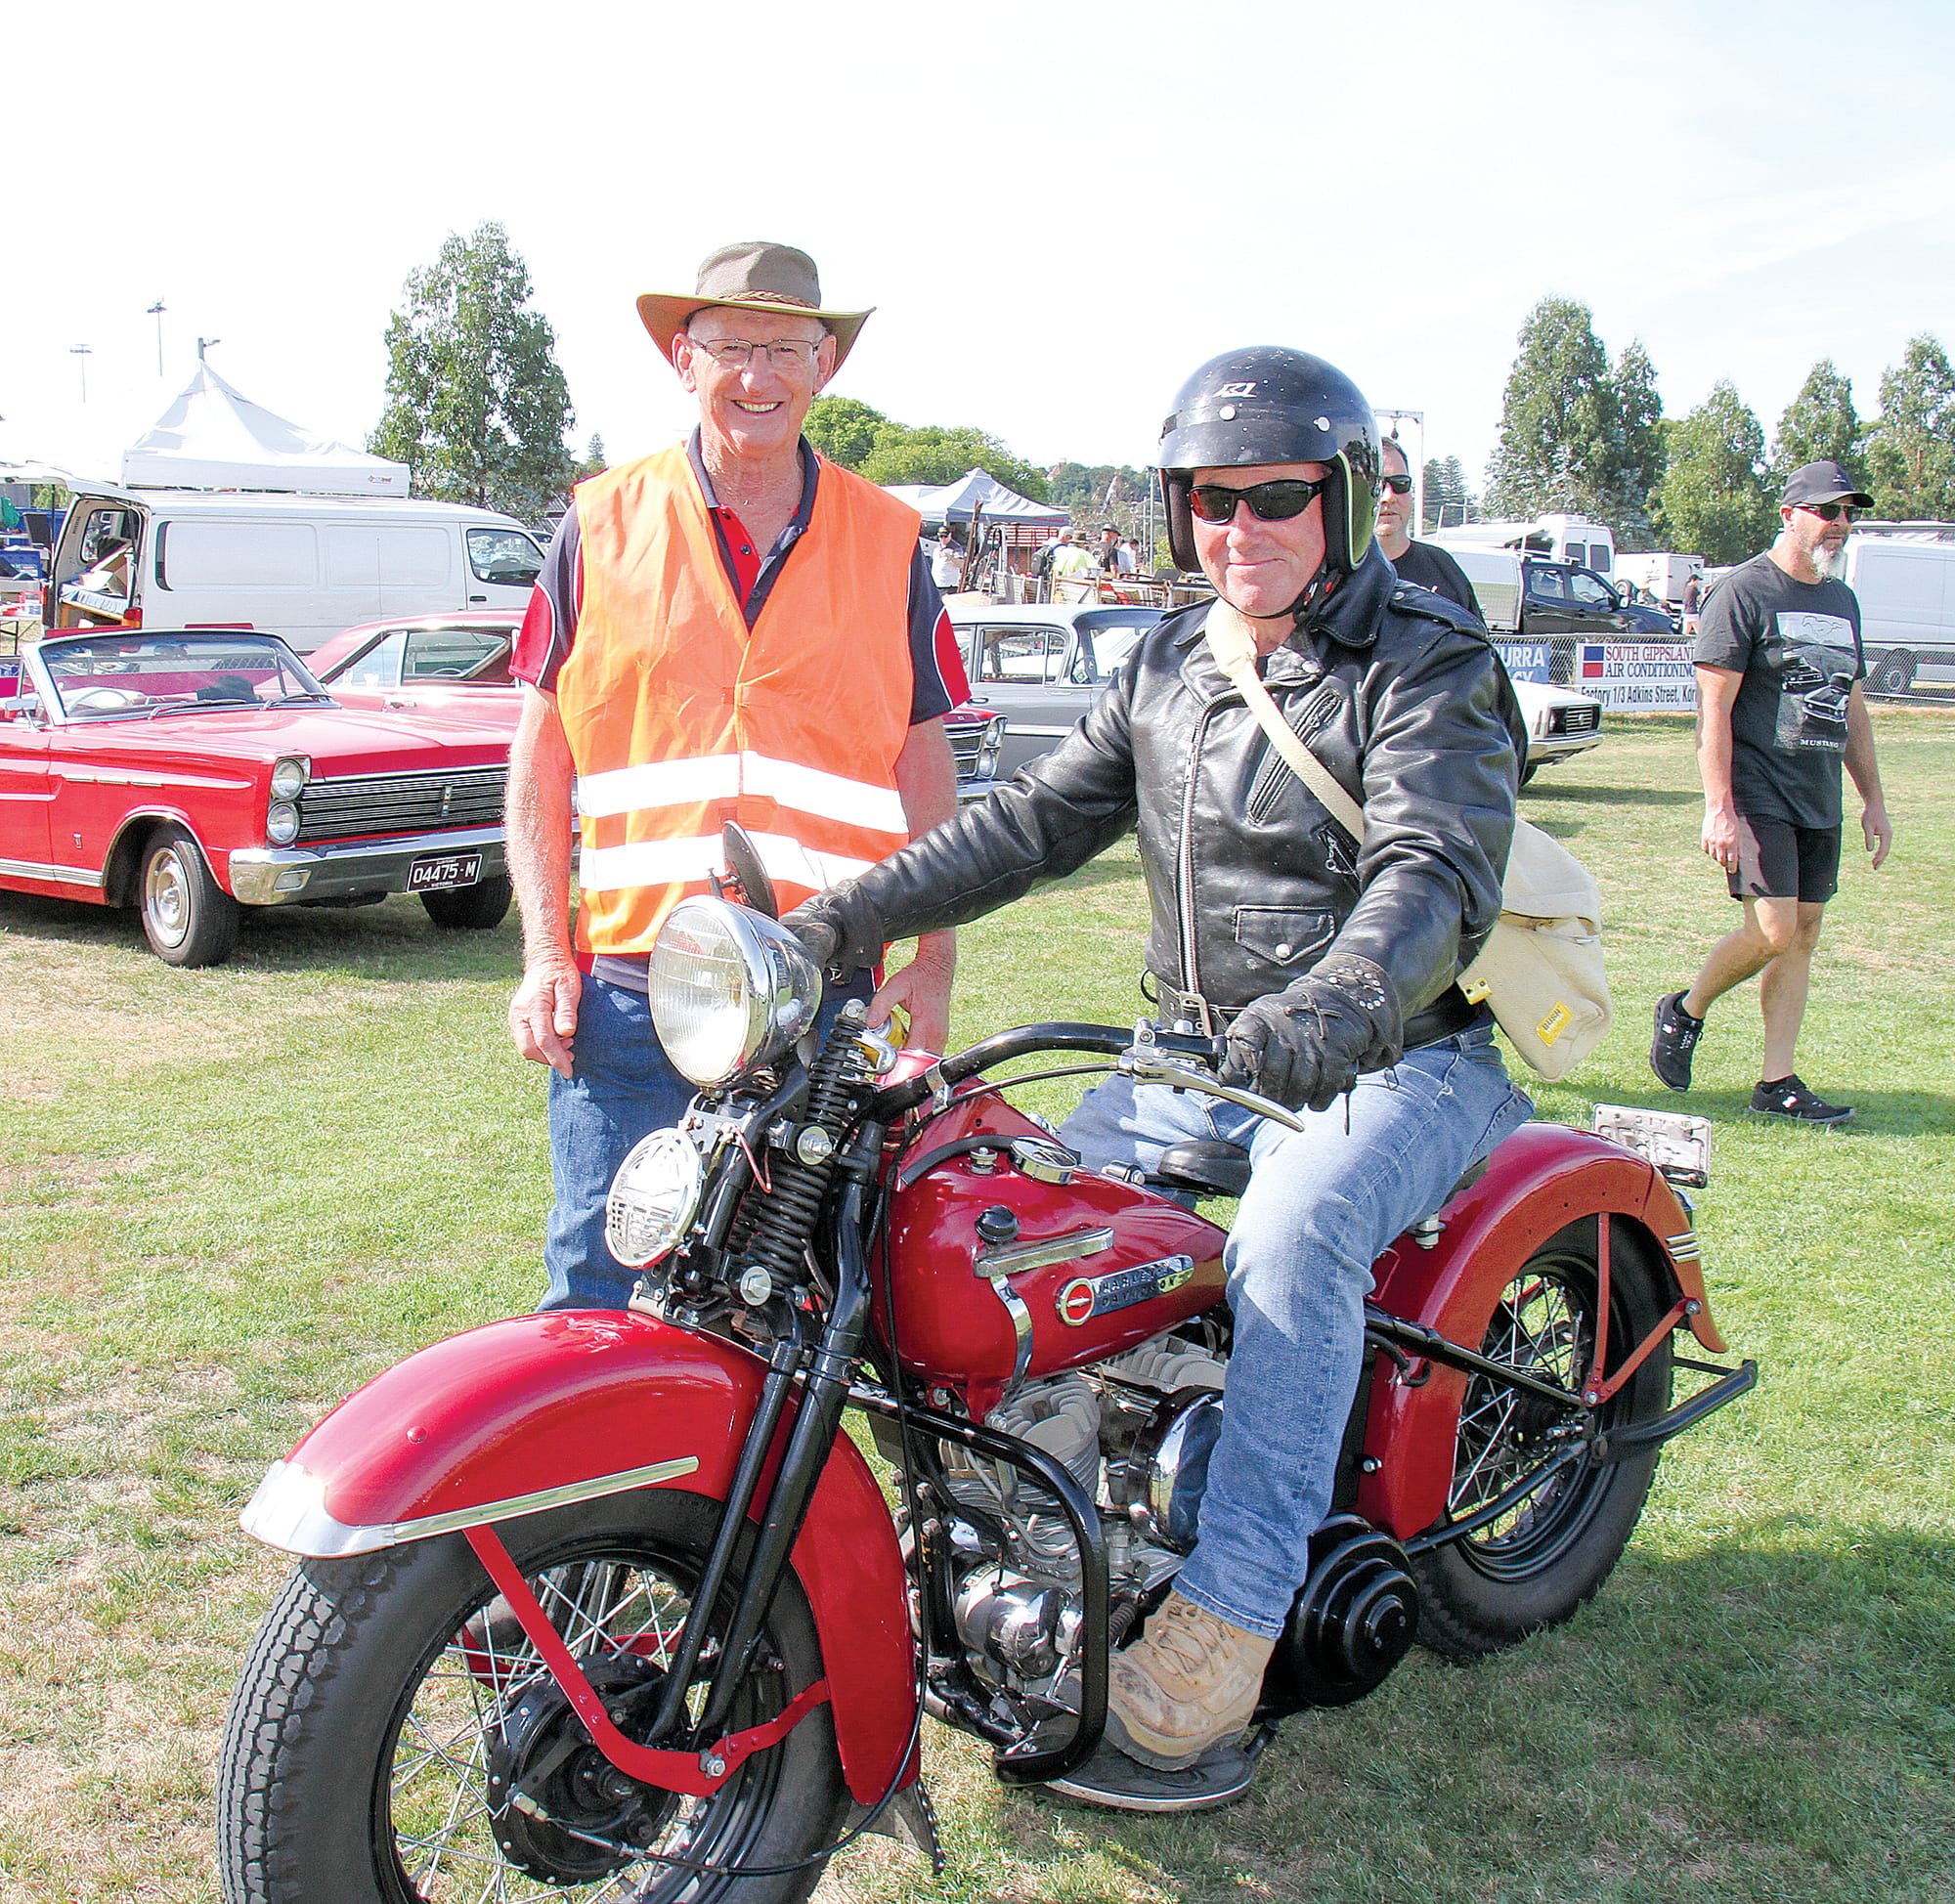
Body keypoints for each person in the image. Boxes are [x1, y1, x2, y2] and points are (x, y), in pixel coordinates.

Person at [790, 346, 1530, 1808]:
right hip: (1194, 1055)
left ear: (1346, 498)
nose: (1240, 531)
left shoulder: (1430, 662)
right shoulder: (1169, 665)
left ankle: (1234, 1612)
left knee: (1294, 1230)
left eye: (1278, 498)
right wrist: (839, 917)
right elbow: (1026, 827)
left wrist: (1328, 1009)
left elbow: (1430, 871)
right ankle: (1041, 1540)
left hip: (1391, 1060)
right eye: (1210, 500)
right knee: (990, 1223)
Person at [505, 240, 968, 1311]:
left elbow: (922, 756)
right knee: (601, 1288)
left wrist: (932, 959)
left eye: (782, 348)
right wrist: (540, 953)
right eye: (729, 348)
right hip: (628, 992)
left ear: (824, 367)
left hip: (825, 988)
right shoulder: (598, 523)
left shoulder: (890, 543)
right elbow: (541, 751)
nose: (755, 377)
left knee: (794, 1308)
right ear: (682, 358)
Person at [1649, 459, 1893, 1123]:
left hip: (1820, 794)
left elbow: (1854, 709)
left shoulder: (1842, 601)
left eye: (1848, 513)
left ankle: (1775, 1082)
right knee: (1773, 929)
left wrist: (1872, 798)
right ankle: (1685, 1008)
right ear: (1789, 514)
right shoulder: (1744, 593)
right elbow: (1714, 712)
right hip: (1758, 792)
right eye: (1827, 511)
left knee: (1803, 934)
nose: (1839, 524)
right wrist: (1718, 808)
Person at [1372, 438, 1478, 615]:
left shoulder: (1444, 569)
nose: (1388, 497)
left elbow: (1475, 639)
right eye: (1377, 484)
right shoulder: (1328, 574)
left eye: (1400, 484)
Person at [1050, 529, 1097, 601]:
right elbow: (1095, 572)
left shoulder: (1061, 553)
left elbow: (1054, 569)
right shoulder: (1085, 555)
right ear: (1083, 543)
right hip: (1076, 591)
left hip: (1060, 589)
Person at [932, 524, 965, 592]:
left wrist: (950, 557)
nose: (943, 538)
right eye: (941, 536)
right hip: (936, 584)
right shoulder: (937, 546)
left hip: (949, 586)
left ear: (950, 535)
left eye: (945, 536)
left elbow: (961, 564)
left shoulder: (956, 548)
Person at [1680, 568, 1703, 639]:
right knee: (1699, 632)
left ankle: (1682, 643)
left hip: (1686, 612)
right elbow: (1700, 597)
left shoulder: (1686, 588)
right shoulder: (1693, 588)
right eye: (1697, 581)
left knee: (1685, 632)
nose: (1697, 583)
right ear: (1693, 580)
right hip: (1693, 612)